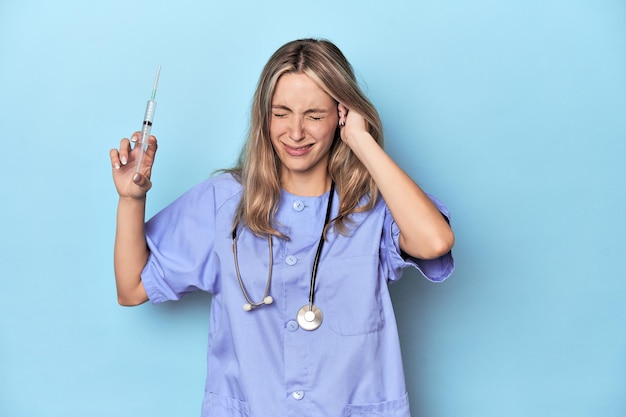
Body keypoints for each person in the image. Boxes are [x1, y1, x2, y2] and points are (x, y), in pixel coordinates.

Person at [110, 38, 455, 417]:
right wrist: (131, 199)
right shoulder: (223, 202)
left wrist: (361, 139)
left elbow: (434, 241)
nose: (295, 132)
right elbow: (132, 288)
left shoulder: (374, 206)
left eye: (315, 115)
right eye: (281, 113)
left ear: (342, 115)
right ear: (264, 116)